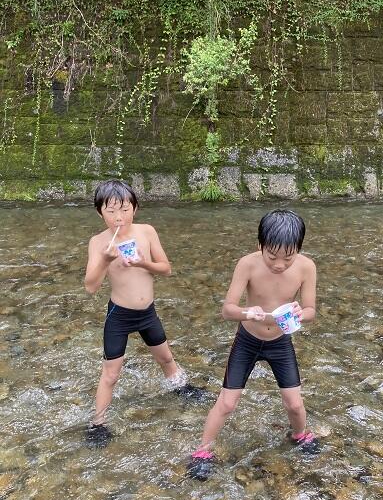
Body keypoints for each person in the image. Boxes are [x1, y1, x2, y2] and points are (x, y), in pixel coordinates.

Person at [188, 209, 319, 480]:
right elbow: (228, 310)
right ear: (260, 245)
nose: (280, 264)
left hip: (280, 341)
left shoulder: (307, 267)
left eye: (288, 258)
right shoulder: (247, 264)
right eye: (272, 256)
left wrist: (299, 314)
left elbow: (310, 311)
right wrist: (247, 312)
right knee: (227, 403)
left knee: (294, 404)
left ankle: (300, 435)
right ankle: (202, 452)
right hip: (247, 340)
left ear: (299, 249)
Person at [84, 179, 193, 445]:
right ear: (100, 213)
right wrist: (105, 261)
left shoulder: (146, 232)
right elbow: (90, 286)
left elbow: (166, 269)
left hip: (147, 313)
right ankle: (98, 423)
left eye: (124, 209)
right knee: (111, 374)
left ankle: (182, 389)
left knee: (166, 358)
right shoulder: (98, 243)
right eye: (111, 211)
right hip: (119, 315)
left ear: (135, 208)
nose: (118, 217)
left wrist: (143, 263)